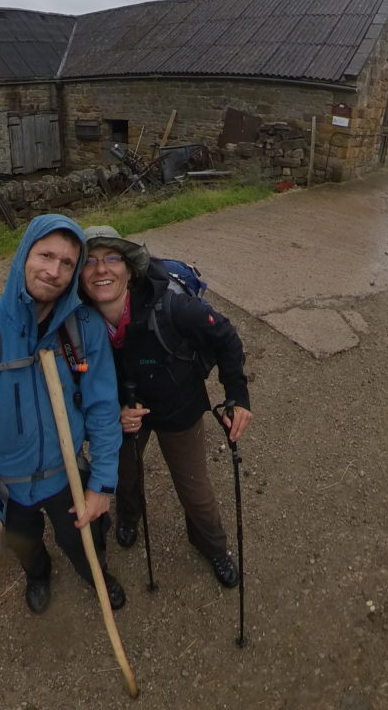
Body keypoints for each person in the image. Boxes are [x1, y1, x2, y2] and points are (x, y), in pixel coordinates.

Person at [0, 214, 126, 614]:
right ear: (24, 254)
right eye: (45, 255)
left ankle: (96, 573)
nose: (53, 270)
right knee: (23, 542)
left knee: (87, 540)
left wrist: (102, 484)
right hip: (9, 485)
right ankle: (38, 573)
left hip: (70, 475)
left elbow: (102, 407)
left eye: (66, 264)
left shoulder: (83, 327)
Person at [78, 225, 253, 588]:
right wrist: (113, 413)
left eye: (112, 258)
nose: (102, 269)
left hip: (179, 405)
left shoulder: (174, 307)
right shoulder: (78, 323)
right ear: (79, 275)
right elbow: (78, 382)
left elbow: (225, 337)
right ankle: (129, 517)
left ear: (130, 268)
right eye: (90, 261)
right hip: (125, 413)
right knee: (123, 475)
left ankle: (213, 546)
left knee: (194, 488)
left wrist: (237, 396)